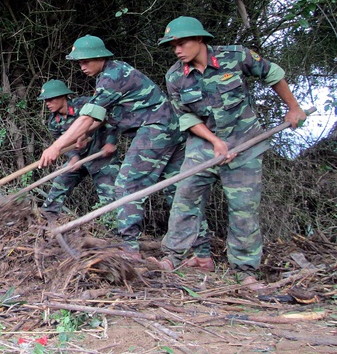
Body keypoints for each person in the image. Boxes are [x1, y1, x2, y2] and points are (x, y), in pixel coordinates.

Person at [151, 16, 307, 286]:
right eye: (173, 45)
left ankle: (244, 270)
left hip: (245, 141)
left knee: (244, 208)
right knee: (185, 197)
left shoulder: (235, 56)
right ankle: (172, 257)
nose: (177, 49)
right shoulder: (175, 76)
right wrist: (215, 143)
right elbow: (186, 118)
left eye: (182, 42)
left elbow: (273, 74)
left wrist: (293, 108)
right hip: (203, 145)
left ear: (200, 39)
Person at [39, 35, 186, 257]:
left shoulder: (113, 76)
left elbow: (88, 117)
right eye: (79, 62)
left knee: (127, 185)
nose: (82, 66)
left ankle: (129, 249)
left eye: (86, 61)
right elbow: (100, 117)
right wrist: (83, 137)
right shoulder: (108, 77)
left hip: (156, 128)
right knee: (177, 189)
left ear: (100, 56)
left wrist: (55, 148)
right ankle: (198, 252)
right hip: (166, 128)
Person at [37, 79, 120, 222]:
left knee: (111, 199)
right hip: (80, 159)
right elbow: (62, 145)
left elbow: (110, 119)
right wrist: (73, 156)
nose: (48, 104)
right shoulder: (53, 123)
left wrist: (110, 142)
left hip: (102, 157)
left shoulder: (84, 105)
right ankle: (45, 220)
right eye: (45, 101)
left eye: (50, 99)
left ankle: (114, 233)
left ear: (62, 96)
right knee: (60, 182)